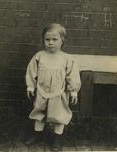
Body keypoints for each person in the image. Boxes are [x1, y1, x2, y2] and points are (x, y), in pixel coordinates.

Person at [25, 23, 81, 151]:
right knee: (39, 112)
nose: (50, 43)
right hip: (41, 91)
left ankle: (57, 138)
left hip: (58, 93)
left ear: (62, 41)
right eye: (47, 39)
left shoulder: (67, 59)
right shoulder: (39, 56)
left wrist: (73, 92)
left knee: (59, 115)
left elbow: (72, 75)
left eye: (54, 39)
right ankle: (38, 134)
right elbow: (31, 72)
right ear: (43, 40)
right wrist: (30, 87)